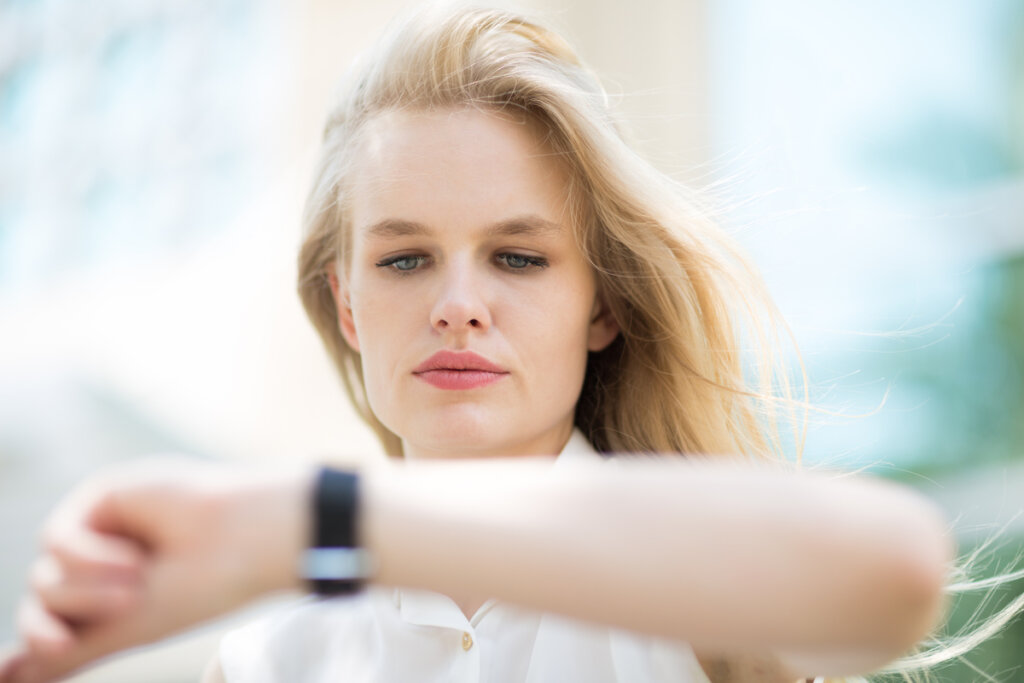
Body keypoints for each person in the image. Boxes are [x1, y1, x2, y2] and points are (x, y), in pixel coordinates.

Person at [0, 5, 956, 683]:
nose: (459, 305)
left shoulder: (701, 598)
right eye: (406, 260)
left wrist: (302, 524)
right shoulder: (270, 657)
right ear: (346, 306)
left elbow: (899, 568)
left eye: (518, 258)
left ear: (603, 307)